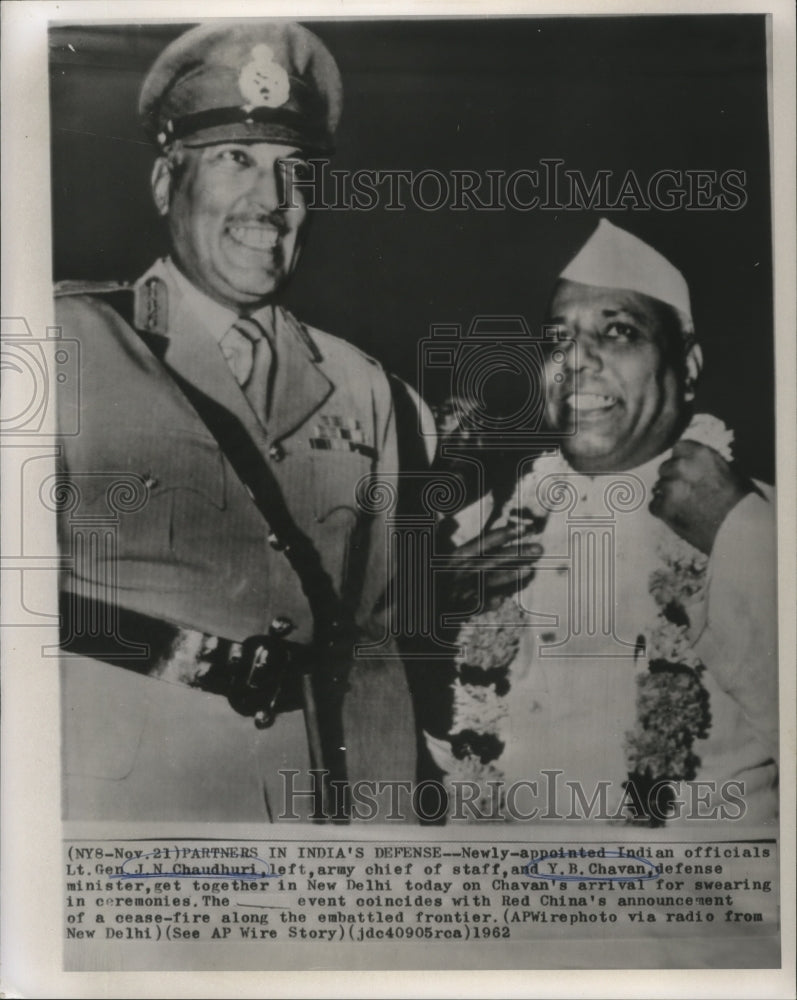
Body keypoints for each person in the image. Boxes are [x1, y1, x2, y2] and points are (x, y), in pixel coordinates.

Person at [55, 21, 416, 822]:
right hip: (117, 817)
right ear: (163, 184)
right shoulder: (61, 345)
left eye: (295, 169)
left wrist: (389, 864)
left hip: (299, 811)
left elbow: (371, 649)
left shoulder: (361, 388)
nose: (272, 202)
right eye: (235, 160)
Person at [428, 219, 778, 824]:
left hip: (701, 910)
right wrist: (427, 622)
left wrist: (740, 537)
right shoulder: (477, 533)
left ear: (688, 366)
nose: (578, 362)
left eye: (618, 332)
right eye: (557, 340)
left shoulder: (765, 521)